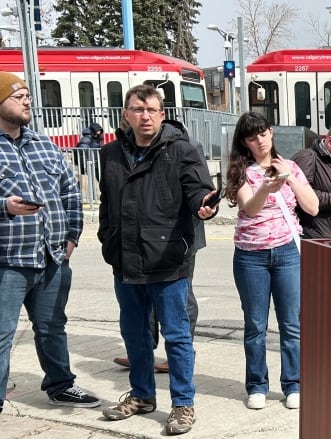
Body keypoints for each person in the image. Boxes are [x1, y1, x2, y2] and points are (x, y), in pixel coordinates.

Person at [0, 72, 100, 436]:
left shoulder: (44, 143)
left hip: (52, 259)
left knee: (52, 328)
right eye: (19, 95)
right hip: (2, 263)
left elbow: (70, 192)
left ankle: (60, 385)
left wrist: (72, 235)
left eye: (28, 95)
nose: (27, 101)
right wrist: (3, 206)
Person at [97, 84, 217, 435]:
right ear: (126, 114)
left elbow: (197, 189)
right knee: (134, 333)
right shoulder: (111, 154)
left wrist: (203, 205)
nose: (145, 115)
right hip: (126, 260)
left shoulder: (181, 150)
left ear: (162, 114)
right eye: (138, 109)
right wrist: (108, 239)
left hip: (168, 259)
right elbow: (107, 204)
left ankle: (182, 404)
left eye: (152, 109)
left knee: (177, 336)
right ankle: (142, 396)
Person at [224, 112, 318, 411]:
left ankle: (294, 384)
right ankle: (256, 385)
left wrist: (288, 177)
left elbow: (313, 207)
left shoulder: (290, 167)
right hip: (251, 255)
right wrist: (265, 188)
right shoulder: (240, 171)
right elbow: (250, 210)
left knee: (291, 323)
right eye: (252, 137)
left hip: (287, 252)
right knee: (255, 324)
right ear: (245, 142)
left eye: (263, 133)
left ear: (271, 132)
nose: (260, 140)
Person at [111, 136, 208, 374]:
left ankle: (182, 352)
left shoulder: (185, 146)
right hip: (140, 237)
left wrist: (186, 227)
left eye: (151, 110)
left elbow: (198, 191)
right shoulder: (123, 148)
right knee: (145, 296)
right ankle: (144, 351)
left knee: (182, 298)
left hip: (178, 239)